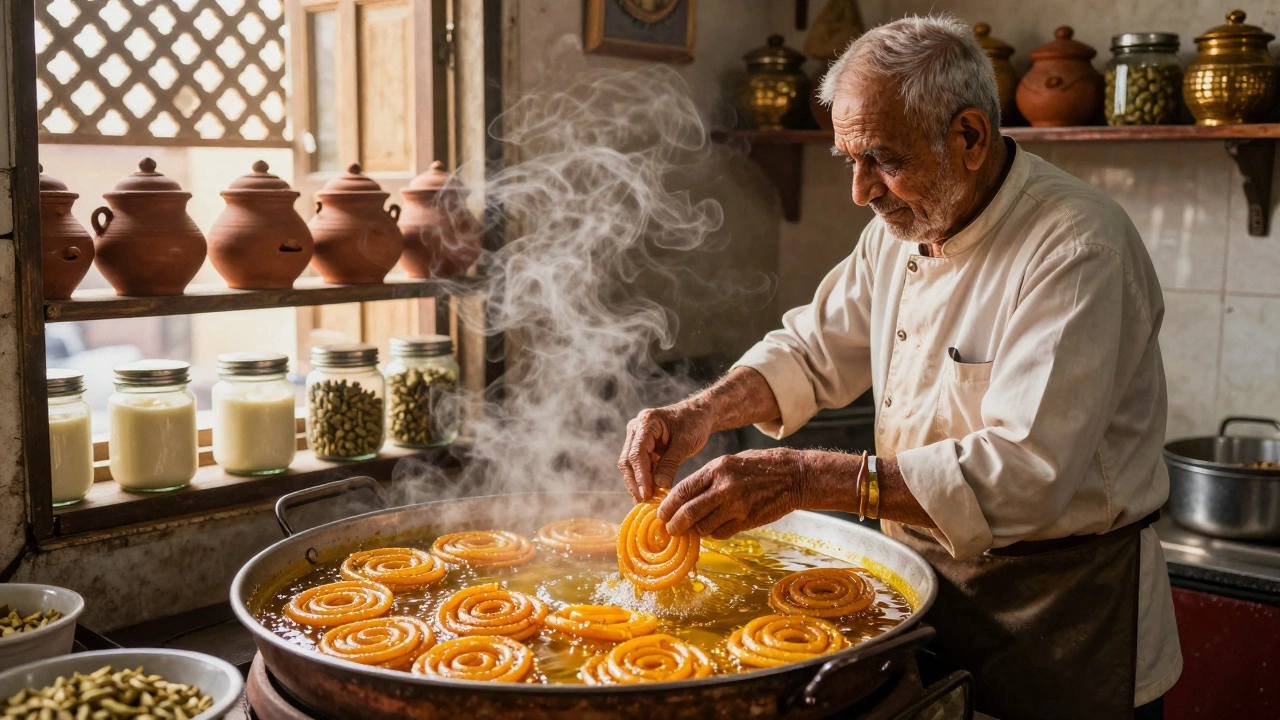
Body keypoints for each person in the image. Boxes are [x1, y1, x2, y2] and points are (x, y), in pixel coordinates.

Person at [617, 15, 1181, 720]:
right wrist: (700, 412)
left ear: (970, 137)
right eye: (847, 159)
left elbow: (1027, 473)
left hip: (1065, 614)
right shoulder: (902, 230)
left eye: (882, 158)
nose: (860, 190)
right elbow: (813, 349)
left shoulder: (1074, 247)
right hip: (922, 589)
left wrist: (801, 478)